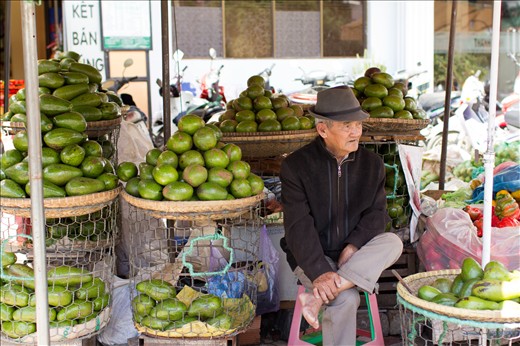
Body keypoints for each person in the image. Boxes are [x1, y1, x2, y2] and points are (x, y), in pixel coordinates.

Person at [279, 86, 403, 345]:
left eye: (358, 124)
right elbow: (298, 227)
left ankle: (316, 299)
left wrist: (353, 245)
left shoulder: (372, 164)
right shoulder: (296, 166)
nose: (356, 132)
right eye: (347, 125)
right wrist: (320, 272)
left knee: (393, 242)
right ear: (323, 130)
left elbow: (377, 214)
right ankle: (331, 288)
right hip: (314, 255)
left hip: (356, 254)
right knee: (345, 298)